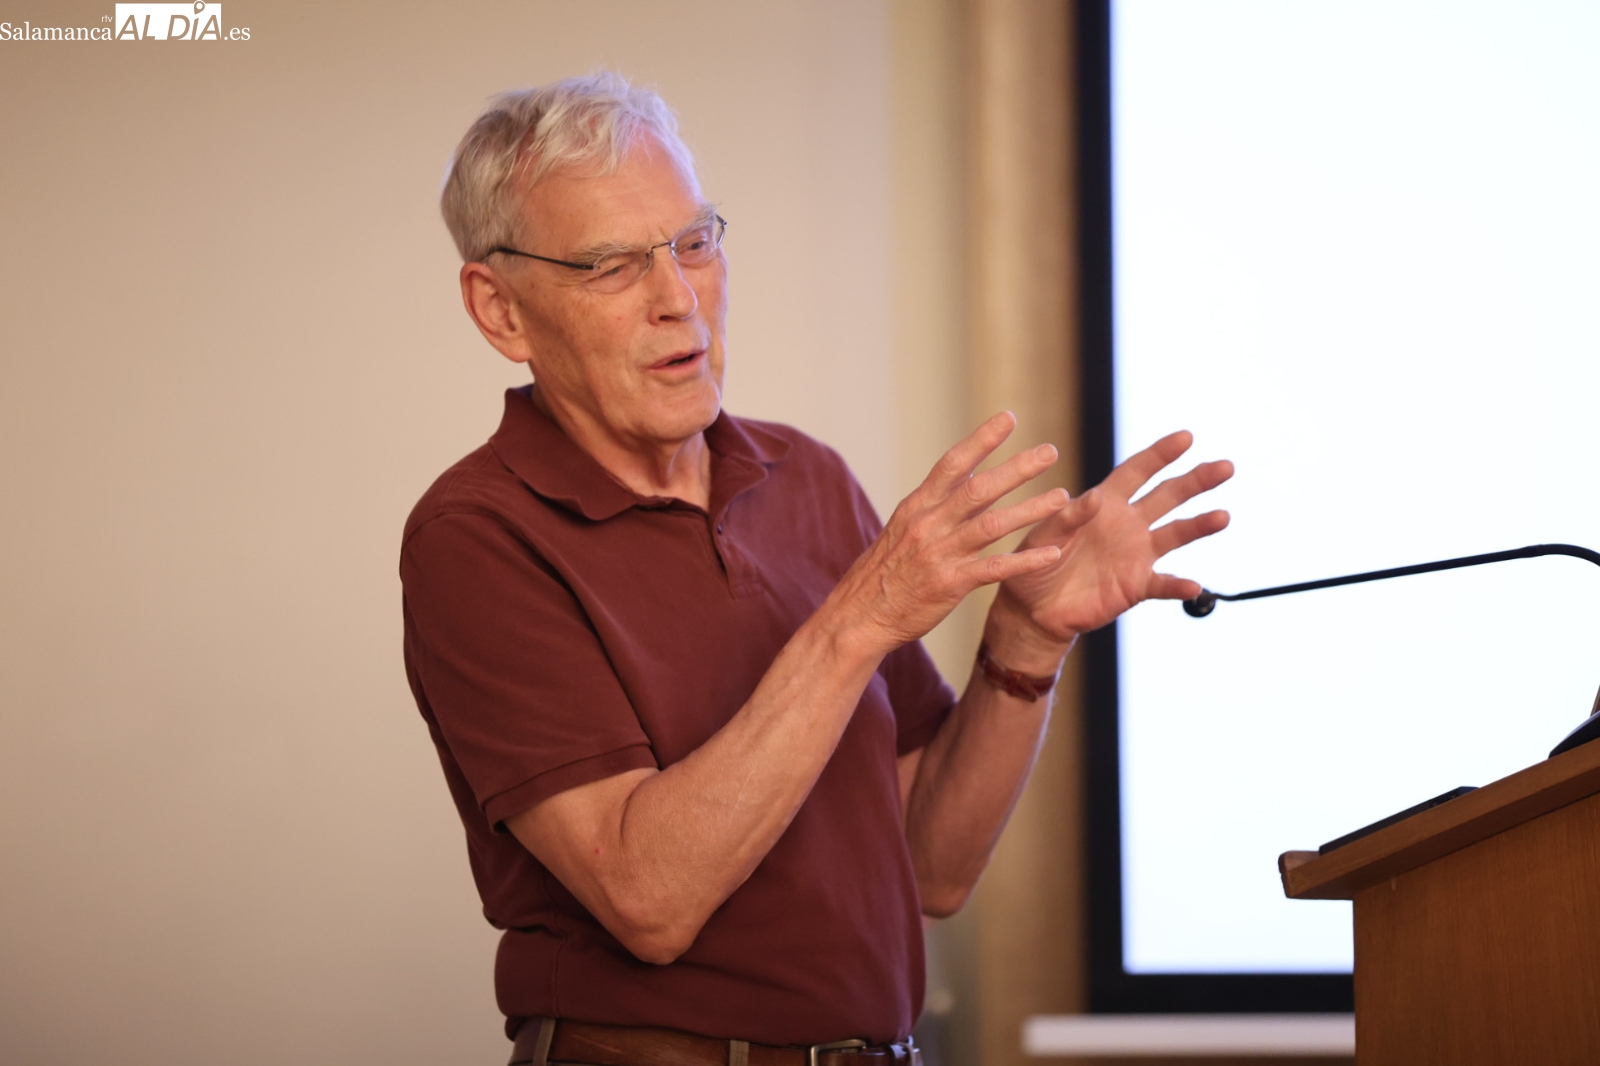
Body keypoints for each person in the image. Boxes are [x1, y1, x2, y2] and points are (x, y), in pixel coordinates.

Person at [401, 72, 1232, 1066]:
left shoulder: (804, 475)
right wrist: (860, 617)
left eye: (695, 244)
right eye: (612, 266)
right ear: (500, 310)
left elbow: (931, 865)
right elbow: (647, 898)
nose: (678, 299)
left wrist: (1024, 636)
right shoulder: (476, 533)